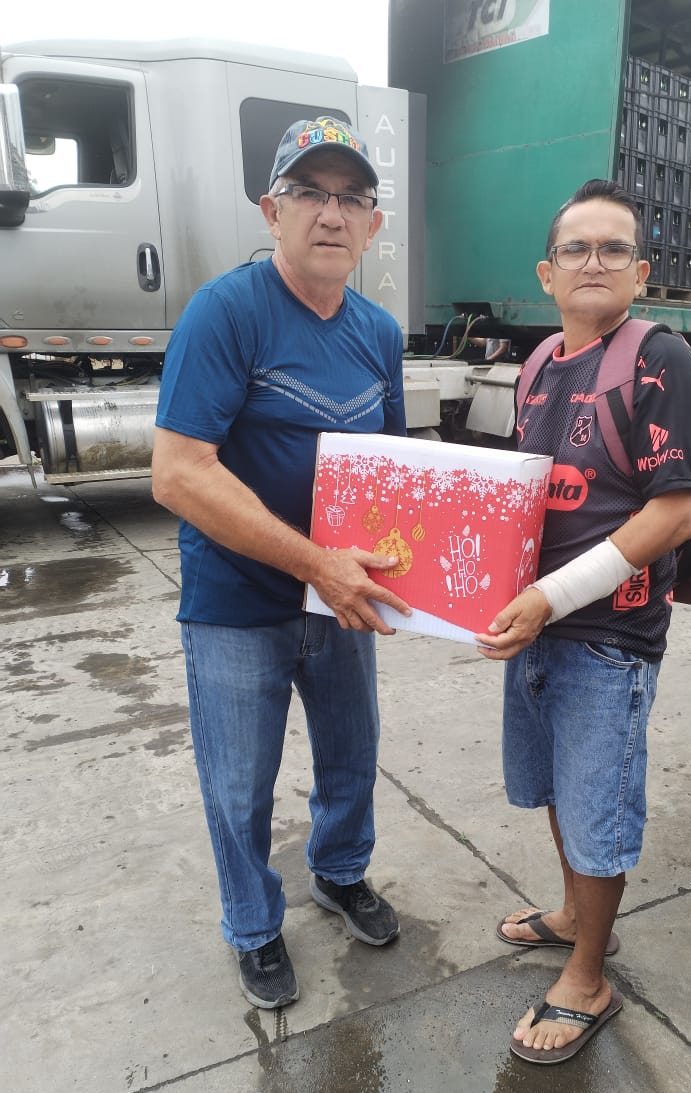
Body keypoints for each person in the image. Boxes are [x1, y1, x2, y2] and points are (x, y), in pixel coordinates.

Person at [151, 116, 412, 1011]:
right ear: (272, 211)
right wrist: (317, 563)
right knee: (239, 784)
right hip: (237, 602)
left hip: (341, 599)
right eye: (309, 193)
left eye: (351, 199)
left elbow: (391, 471)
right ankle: (254, 925)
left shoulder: (378, 332)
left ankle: (338, 873)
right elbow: (179, 474)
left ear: (374, 224)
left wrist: (427, 577)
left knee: (352, 757)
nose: (331, 215)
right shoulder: (227, 312)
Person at [476, 179, 691, 1064]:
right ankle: (578, 915)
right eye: (575, 248)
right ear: (547, 273)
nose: (594, 263)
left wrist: (550, 597)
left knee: (596, 805)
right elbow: (522, 496)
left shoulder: (659, 360)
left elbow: (673, 517)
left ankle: (587, 978)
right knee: (557, 787)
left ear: (641, 272)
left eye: (615, 249)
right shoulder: (540, 364)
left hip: (609, 638)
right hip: (539, 628)